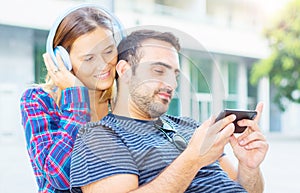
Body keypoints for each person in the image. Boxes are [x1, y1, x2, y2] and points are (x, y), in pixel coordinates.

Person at [70, 29, 269, 193]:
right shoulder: (100, 136)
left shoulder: (189, 126)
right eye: (158, 71)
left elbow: (246, 189)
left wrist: (249, 167)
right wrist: (192, 159)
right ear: (125, 71)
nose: (171, 83)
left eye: (174, 74)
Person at [20, 5, 122, 193]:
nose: (104, 64)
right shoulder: (38, 101)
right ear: (63, 61)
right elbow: (57, 177)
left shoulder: (122, 102)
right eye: (89, 58)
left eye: (109, 51)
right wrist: (77, 102)